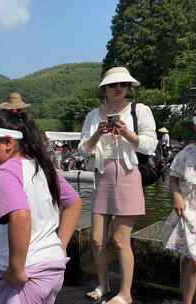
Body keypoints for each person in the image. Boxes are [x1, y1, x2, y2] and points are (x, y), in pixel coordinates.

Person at [0, 109, 81, 304]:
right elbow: (73, 203)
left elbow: (21, 216)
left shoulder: (4, 173)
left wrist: (16, 269)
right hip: (52, 268)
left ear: (7, 142)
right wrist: (61, 246)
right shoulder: (41, 167)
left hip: (27, 275)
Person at [79, 67, 157, 304]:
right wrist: (97, 135)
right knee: (96, 239)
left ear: (129, 87)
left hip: (128, 176)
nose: (119, 88)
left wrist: (127, 133)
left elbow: (150, 145)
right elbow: (83, 149)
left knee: (121, 240)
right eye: (113, 85)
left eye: (123, 84)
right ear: (105, 88)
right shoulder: (94, 115)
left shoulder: (139, 110)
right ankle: (103, 285)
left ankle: (125, 294)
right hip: (102, 177)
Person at [161, 107, 196, 304]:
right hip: (194, 211)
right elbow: (173, 176)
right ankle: (187, 301)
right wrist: (176, 196)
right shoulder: (188, 153)